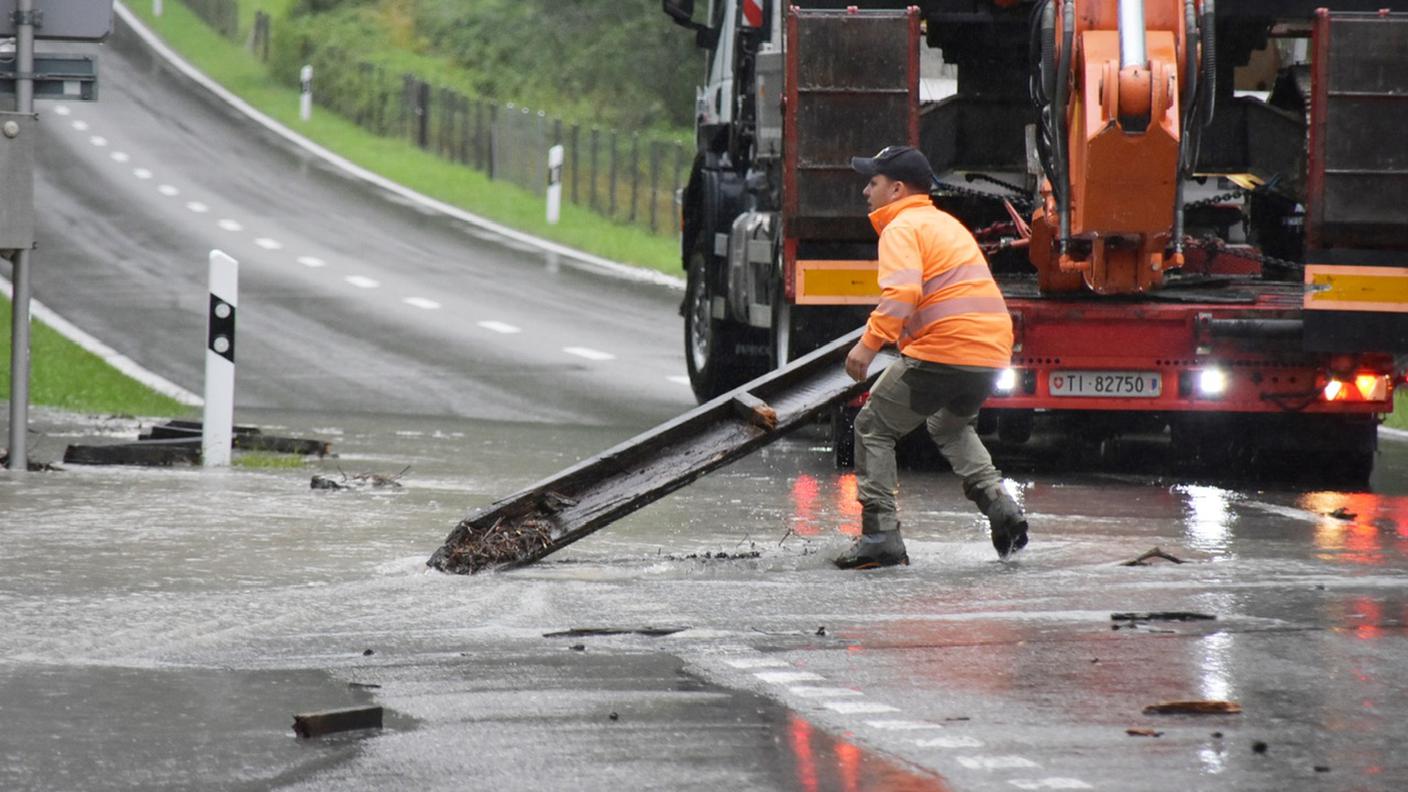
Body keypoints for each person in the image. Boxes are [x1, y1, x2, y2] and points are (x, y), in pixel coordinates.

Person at [834, 145, 1029, 569]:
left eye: (873, 182)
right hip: (992, 350)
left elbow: (902, 294)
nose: (867, 190)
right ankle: (1001, 508)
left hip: (945, 348)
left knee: (871, 427)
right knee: (950, 423)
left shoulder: (901, 227)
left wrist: (867, 347)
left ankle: (880, 535)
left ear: (897, 189)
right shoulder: (946, 225)